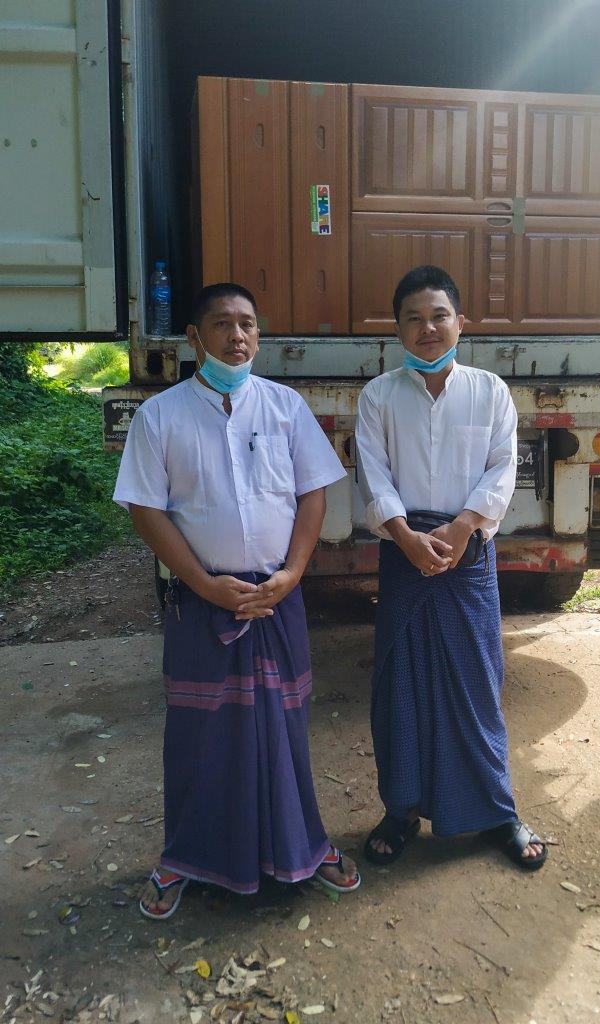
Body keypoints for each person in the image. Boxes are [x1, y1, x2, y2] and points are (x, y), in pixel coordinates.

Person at [113, 282, 361, 919]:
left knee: (284, 730)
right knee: (199, 736)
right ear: (196, 338)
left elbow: (312, 494)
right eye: (222, 324)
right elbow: (146, 509)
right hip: (202, 603)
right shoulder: (161, 416)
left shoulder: (284, 406)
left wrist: (294, 572)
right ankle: (184, 858)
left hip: (277, 599)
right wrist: (204, 583)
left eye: (248, 323)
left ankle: (305, 845)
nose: (238, 336)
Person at [354, 265, 547, 871]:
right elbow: (373, 473)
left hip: (469, 555)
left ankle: (497, 811)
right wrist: (408, 539)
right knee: (401, 686)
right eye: (413, 317)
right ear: (398, 330)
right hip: (404, 552)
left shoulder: (489, 391)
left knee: (476, 685)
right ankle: (402, 808)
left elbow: (502, 466)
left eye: (439, 315)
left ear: (462, 322)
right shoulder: (378, 396)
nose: (428, 327)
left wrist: (463, 528)